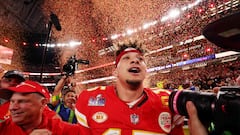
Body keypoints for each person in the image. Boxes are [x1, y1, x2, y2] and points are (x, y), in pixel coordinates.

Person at [75, 41, 184, 134]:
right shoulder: (90, 100)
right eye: (126, 58)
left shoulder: (167, 102)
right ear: (116, 72)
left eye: (140, 59)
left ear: (146, 71)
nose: (135, 61)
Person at [0, 80, 83, 135]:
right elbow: (56, 93)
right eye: (12, 101)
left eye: (22, 101)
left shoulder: (61, 127)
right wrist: (63, 80)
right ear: (63, 98)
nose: (13, 107)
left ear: (43, 103)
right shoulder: (56, 104)